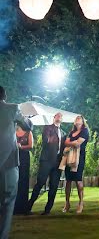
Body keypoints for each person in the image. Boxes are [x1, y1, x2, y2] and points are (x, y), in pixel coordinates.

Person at [0, 85, 32, 239]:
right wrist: (29, 119)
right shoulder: (13, 108)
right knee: (7, 202)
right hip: (8, 164)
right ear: (4, 96)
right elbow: (27, 126)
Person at [27, 112, 66, 215]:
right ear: (53, 118)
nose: (58, 117)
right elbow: (46, 140)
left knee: (54, 186)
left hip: (57, 162)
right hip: (46, 161)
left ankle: (47, 210)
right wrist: (51, 138)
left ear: (62, 119)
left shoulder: (63, 133)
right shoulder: (47, 128)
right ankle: (28, 207)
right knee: (40, 183)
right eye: (56, 116)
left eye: (60, 116)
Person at [62, 115, 90, 214]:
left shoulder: (85, 131)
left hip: (79, 158)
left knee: (78, 180)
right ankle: (67, 203)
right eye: (76, 119)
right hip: (69, 158)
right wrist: (72, 143)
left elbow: (78, 143)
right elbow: (66, 142)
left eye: (79, 119)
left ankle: (81, 203)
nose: (77, 120)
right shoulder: (71, 132)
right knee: (68, 180)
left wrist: (71, 142)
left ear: (82, 122)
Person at [14, 124, 34, 214]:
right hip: (15, 158)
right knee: (15, 181)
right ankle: (14, 207)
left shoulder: (28, 133)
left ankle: (23, 207)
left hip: (25, 158)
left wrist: (21, 147)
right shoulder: (13, 133)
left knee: (24, 181)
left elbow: (31, 146)